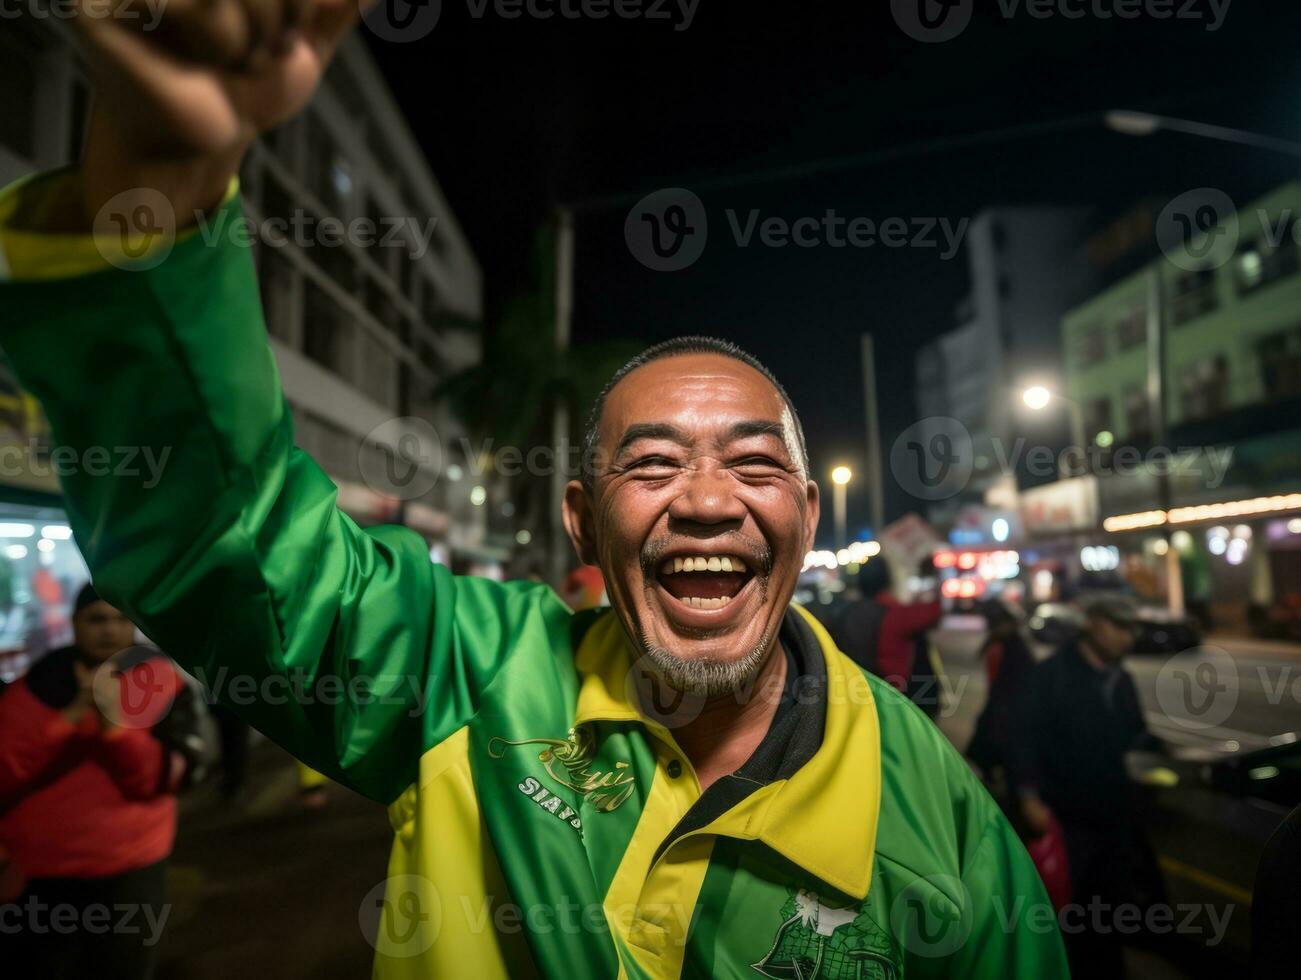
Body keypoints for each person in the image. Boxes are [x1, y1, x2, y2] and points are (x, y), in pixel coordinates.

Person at [0, 5, 1067, 977]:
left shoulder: (945, 823)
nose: (704, 500)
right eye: (648, 463)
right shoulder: (463, 674)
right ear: (581, 519)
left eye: (752, 463)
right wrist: (157, 178)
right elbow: (224, 543)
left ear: (806, 517)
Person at [0, 584, 205, 979]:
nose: (109, 630)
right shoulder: (39, 684)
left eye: (120, 619)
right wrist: (69, 717)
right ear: (74, 623)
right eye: (96, 619)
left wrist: (116, 731)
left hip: (128, 871)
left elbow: (169, 776)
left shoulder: (162, 683)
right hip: (41, 876)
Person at [1007, 598, 1164, 979]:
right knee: (1070, 914)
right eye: (1118, 626)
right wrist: (1029, 796)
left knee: (1110, 909)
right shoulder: (1051, 676)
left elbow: (1134, 735)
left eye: (1131, 629)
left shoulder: (1119, 679)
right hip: (1066, 817)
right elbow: (1023, 738)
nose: (1126, 637)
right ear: (1093, 624)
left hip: (1115, 814)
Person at [840, 553, 943, 698]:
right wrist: (933, 576)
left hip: (855, 688)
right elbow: (933, 611)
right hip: (894, 692)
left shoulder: (846, 613)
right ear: (887, 580)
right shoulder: (894, 613)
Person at [966, 598, 1035, 788]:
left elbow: (1022, 678)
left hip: (1009, 703)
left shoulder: (1014, 646)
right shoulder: (999, 641)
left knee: (1003, 743)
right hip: (1000, 700)